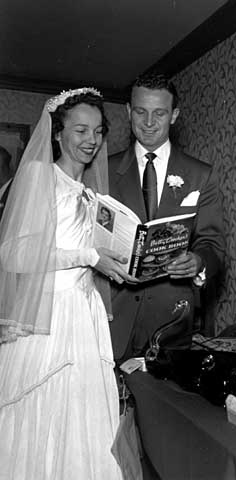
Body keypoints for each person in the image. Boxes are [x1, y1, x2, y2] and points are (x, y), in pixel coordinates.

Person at [0, 88, 134, 479]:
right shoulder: (40, 176)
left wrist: (118, 261)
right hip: (48, 318)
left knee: (85, 419)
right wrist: (88, 257)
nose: (90, 140)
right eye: (79, 130)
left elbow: (94, 251)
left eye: (97, 131)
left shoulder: (92, 193)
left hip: (85, 316)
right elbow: (13, 255)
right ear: (58, 133)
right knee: (44, 413)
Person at [109, 72, 225, 362]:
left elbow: (212, 244)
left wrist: (198, 261)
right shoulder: (102, 170)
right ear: (128, 111)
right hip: (110, 318)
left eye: (159, 113)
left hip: (172, 321)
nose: (148, 123)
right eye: (140, 112)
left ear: (174, 115)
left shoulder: (201, 174)